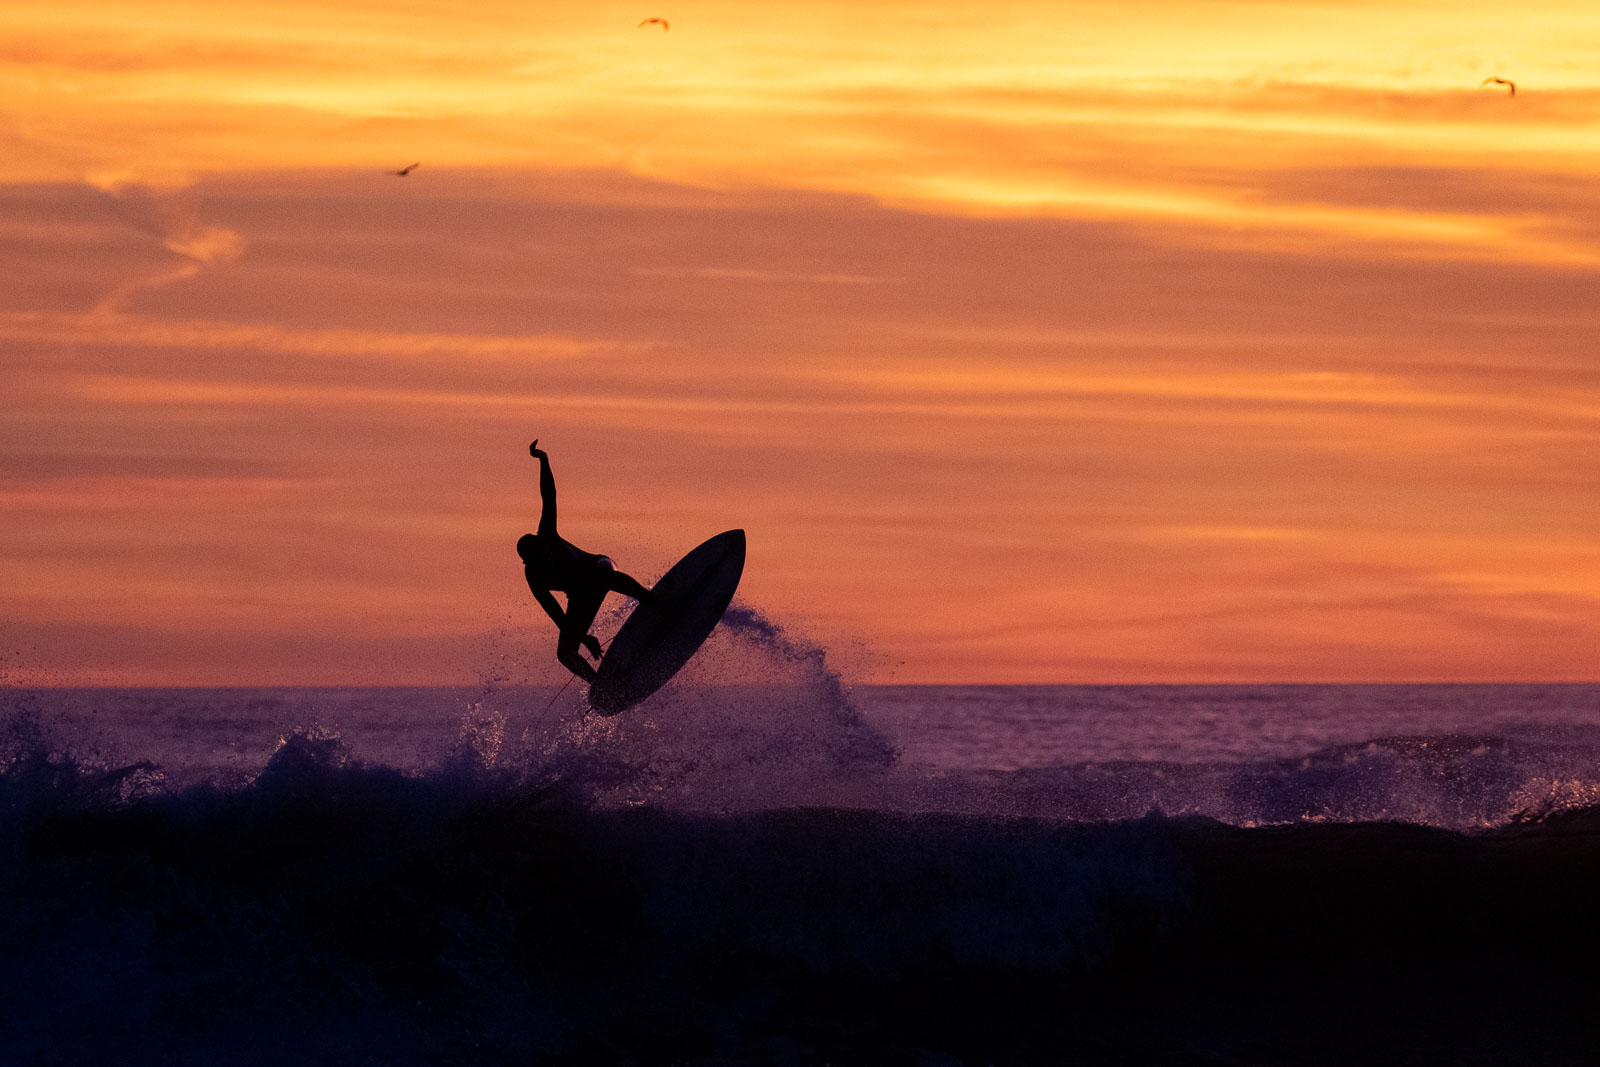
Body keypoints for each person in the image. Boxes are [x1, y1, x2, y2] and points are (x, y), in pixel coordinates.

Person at [518, 440, 654, 683]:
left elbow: (549, 495)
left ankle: (649, 599)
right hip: (581, 597)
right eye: (539, 560)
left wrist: (544, 460)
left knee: (601, 572)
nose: (546, 559)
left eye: (545, 553)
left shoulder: (547, 533)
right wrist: (583, 637)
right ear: (530, 563)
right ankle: (601, 685)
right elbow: (558, 616)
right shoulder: (534, 578)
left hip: (599, 568)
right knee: (564, 653)